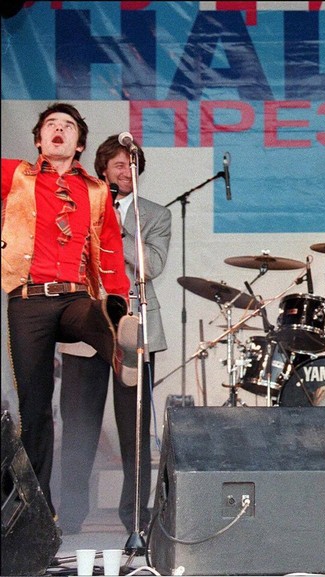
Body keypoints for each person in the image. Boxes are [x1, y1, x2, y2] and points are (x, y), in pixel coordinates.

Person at [1, 102, 136, 519]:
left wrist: (119, 298)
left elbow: (111, 251)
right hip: (27, 299)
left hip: (75, 294)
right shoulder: (14, 175)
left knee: (97, 315)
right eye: (51, 126)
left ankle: (119, 342)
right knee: (36, 407)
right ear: (40, 139)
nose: (59, 130)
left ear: (79, 144)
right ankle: (40, 510)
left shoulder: (95, 190)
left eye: (68, 127)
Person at [57, 135, 172, 534]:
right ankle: (67, 518)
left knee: (134, 431)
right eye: (118, 165)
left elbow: (152, 266)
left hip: (134, 327)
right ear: (102, 169)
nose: (125, 172)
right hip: (84, 323)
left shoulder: (154, 215)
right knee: (78, 426)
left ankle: (135, 520)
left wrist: (114, 225)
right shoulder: (77, 208)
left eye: (131, 165)